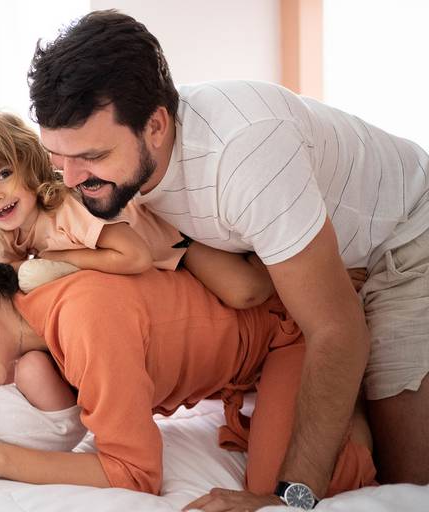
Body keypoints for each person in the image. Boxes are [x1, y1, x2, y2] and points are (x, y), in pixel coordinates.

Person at [27, 9, 429, 508]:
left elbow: (337, 329)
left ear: (156, 125)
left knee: (410, 476)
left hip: (405, 236)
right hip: (316, 271)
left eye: (91, 156)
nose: (69, 179)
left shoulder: (246, 156)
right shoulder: (112, 172)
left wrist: (288, 499)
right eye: (56, 157)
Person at [0, 246, 376, 507]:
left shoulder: (80, 322)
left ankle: (343, 403)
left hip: (284, 336)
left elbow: (137, 475)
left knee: (272, 491)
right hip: (236, 364)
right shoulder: (30, 340)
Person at [0, 110, 274, 308]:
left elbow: (136, 257)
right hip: (159, 250)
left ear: (30, 166)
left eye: (4, 174)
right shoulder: (10, 232)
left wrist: (61, 259)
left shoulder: (64, 208)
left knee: (246, 292)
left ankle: (277, 261)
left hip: (175, 240)